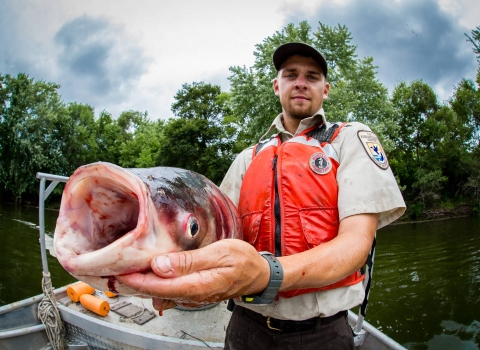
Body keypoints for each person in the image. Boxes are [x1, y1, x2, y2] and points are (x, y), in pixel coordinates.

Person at [117, 42, 406, 349]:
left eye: (312, 76)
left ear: (326, 89)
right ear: (276, 85)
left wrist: (269, 274)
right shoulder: (247, 158)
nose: (300, 83)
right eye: (291, 74)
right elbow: (213, 239)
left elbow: (356, 244)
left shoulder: (350, 139)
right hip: (245, 328)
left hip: (322, 334)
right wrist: (175, 279)